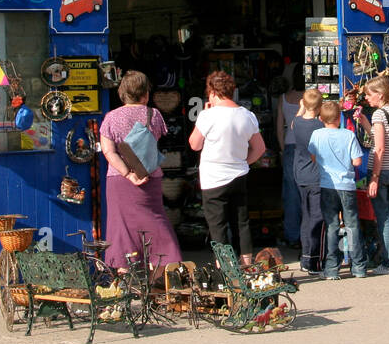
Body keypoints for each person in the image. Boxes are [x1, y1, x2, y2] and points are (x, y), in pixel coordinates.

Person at [98, 70, 182, 272]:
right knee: (156, 225)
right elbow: (151, 145)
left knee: (122, 231)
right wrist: (138, 172)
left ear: (122, 93)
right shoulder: (154, 115)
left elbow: (108, 152)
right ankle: (158, 279)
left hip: (119, 181)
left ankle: (127, 282)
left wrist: (128, 174)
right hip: (149, 178)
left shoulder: (110, 118)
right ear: (145, 93)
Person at [188, 71, 263, 265]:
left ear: (212, 92)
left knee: (218, 226)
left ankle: (225, 267)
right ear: (232, 91)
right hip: (238, 175)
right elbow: (260, 148)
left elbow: (195, 144)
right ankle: (247, 265)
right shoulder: (247, 115)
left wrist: (204, 114)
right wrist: (245, 162)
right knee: (241, 222)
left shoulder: (207, 115)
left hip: (213, 178)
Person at [308, 100, 366, 280]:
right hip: (347, 186)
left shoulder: (316, 135)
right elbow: (357, 161)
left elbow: (313, 157)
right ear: (338, 117)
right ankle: (358, 267)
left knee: (332, 226)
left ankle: (332, 268)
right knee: (352, 225)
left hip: (327, 185)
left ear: (321, 117)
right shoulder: (348, 135)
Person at [363, 76, 389, 276]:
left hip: (381, 171)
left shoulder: (379, 114)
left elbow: (379, 147)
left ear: (379, 94)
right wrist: (364, 123)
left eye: (369, 94)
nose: (366, 98)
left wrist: (374, 177)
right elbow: (384, 138)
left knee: (384, 218)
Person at [288, 88, 326, 273]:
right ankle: (314, 259)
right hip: (316, 176)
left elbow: (294, 122)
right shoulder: (319, 127)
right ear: (319, 107)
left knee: (306, 215)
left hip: (300, 175)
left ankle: (305, 257)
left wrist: (301, 108)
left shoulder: (297, 122)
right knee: (317, 217)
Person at [274, 77, 305, 246]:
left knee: (291, 193)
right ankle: (310, 234)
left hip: (290, 145)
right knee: (308, 191)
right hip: (308, 146)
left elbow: (280, 126)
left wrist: (282, 148)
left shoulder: (284, 98)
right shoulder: (310, 96)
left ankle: (293, 235)